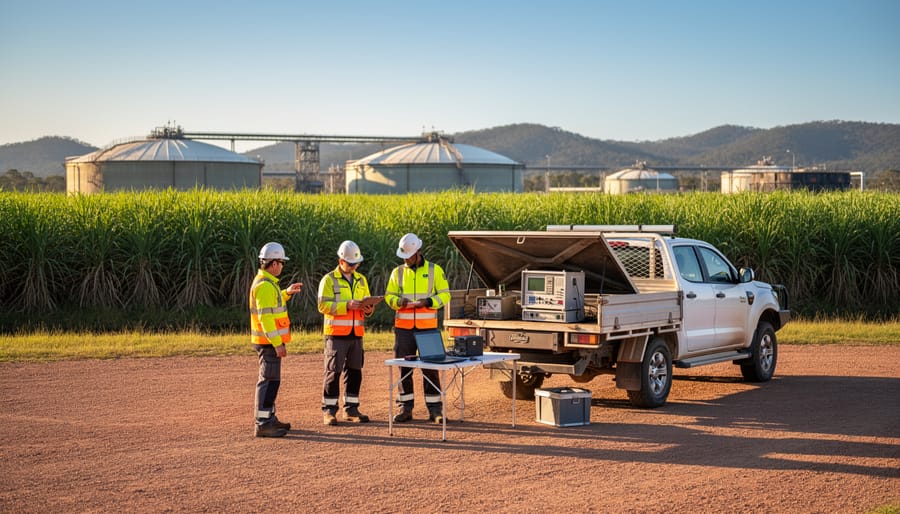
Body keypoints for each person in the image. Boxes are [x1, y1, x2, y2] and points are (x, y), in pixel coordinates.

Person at [385, 233, 451, 424]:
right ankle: (405, 409)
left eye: (409, 255)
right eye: (404, 256)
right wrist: (399, 302)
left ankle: (435, 410)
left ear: (418, 252)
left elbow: (445, 295)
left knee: (431, 369)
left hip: (427, 328)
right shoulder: (397, 273)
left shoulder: (434, 270)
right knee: (404, 369)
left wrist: (428, 301)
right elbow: (389, 297)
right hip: (403, 329)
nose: (406, 259)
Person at [316, 240, 377, 425]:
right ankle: (329, 411)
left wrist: (368, 309)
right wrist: (346, 305)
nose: (353, 266)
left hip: (356, 333)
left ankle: (351, 409)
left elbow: (367, 306)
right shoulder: (328, 280)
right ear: (341, 260)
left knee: (355, 372)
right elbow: (322, 305)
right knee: (333, 372)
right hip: (336, 334)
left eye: (356, 263)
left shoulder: (361, 280)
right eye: (350, 263)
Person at [249, 242, 303, 438]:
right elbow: (266, 319)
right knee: (268, 380)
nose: (282, 266)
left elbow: (272, 305)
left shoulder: (268, 284)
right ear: (273, 263)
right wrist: (277, 343)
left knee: (273, 381)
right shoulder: (264, 286)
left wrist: (286, 293)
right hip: (268, 342)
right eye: (281, 262)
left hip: (268, 341)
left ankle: (269, 418)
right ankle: (263, 423)